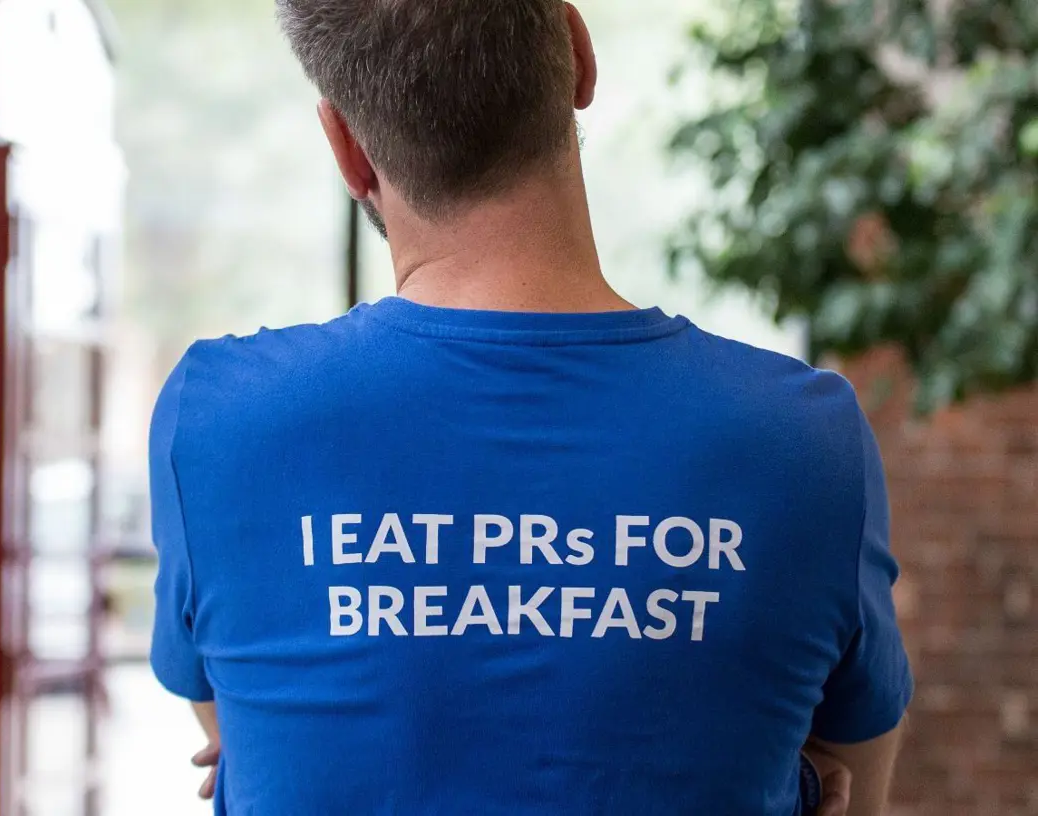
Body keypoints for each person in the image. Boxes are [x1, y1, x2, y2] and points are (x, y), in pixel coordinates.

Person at [148, 1, 912, 813]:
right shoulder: (805, 442)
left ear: (346, 148)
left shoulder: (219, 421)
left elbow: (246, 726)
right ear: (579, 57)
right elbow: (856, 783)